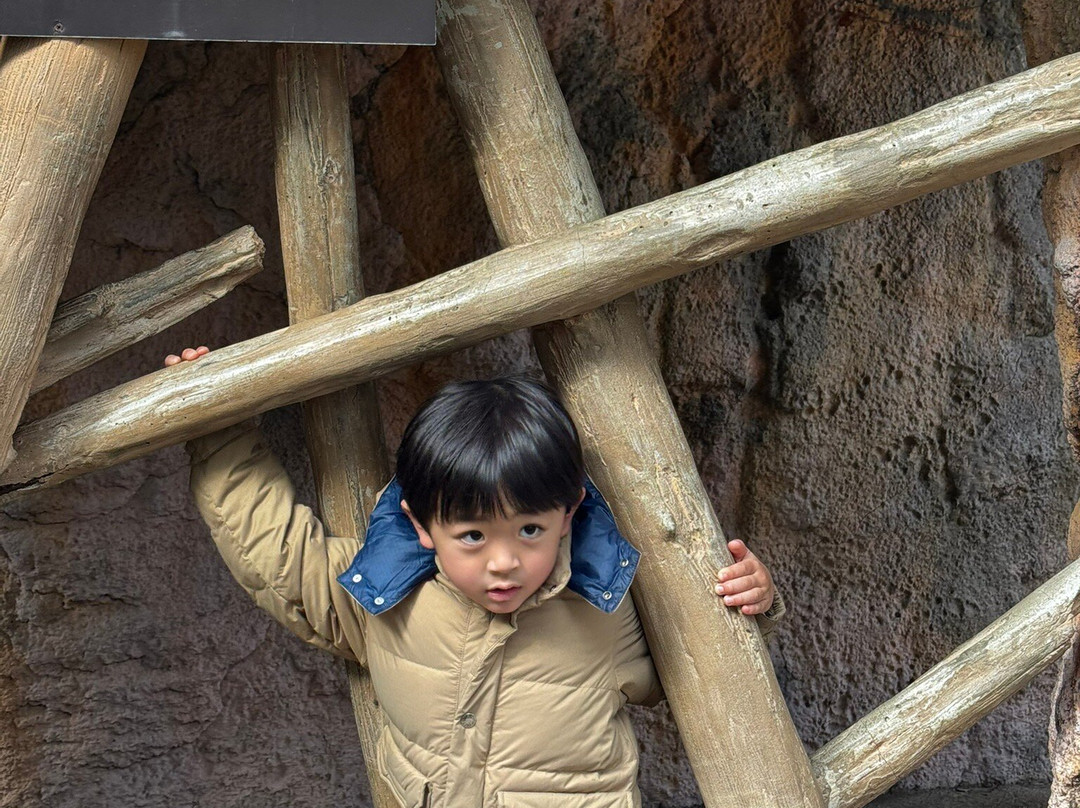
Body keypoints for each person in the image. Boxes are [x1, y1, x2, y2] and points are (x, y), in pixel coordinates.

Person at [169, 346, 785, 808]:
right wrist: (215, 427)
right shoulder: (381, 598)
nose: (503, 562)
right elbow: (272, 548)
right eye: (471, 536)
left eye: (529, 531)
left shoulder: (610, 602)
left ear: (568, 513)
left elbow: (715, 653)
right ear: (420, 525)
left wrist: (759, 599)